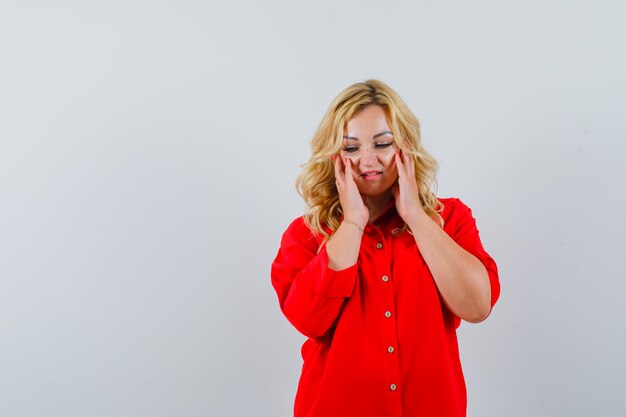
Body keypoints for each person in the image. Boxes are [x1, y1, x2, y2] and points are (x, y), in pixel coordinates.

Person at [270, 79, 500, 417]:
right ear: (334, 156)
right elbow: (308, 321)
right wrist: (352, 223)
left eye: (382, 143)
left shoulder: (450, 219)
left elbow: (478, 306)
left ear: (404, 147)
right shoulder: (307, 234)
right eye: (350, 148)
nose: (368, 159)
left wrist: (415, 216)